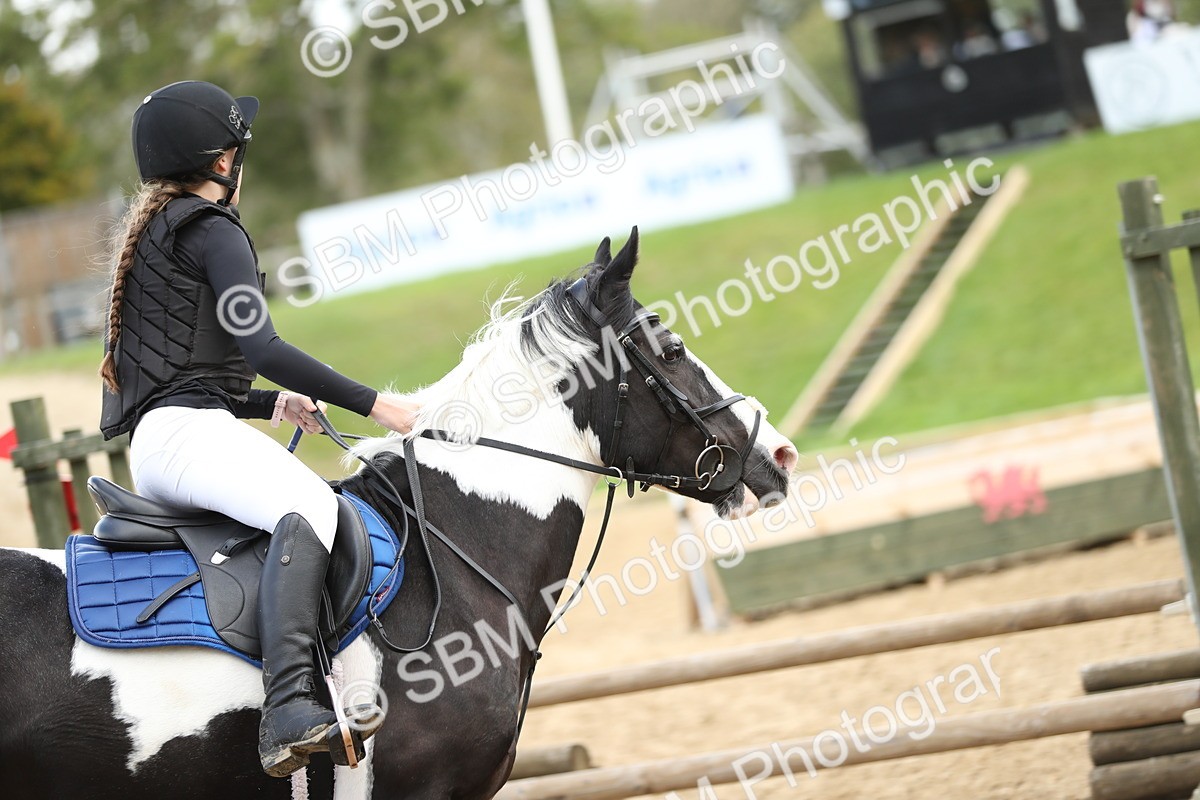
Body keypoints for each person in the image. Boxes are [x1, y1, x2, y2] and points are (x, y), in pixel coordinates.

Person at [98, 80, 419, 777]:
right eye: (239, 150)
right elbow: (263, 347)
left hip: (166, 440)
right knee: (313, 509)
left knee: (296, 508)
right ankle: (289, 709)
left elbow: (178, 373)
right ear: (221, 162)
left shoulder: (156, 232)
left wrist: (269, 405)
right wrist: (378, 405)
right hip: (186, 438)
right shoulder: (211, 230)